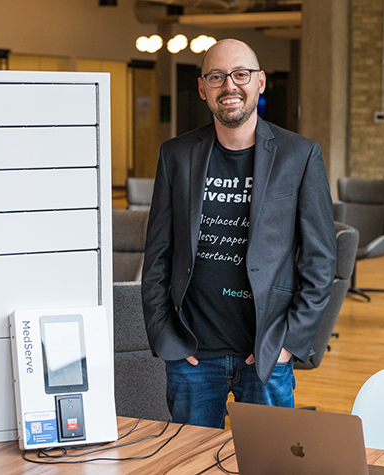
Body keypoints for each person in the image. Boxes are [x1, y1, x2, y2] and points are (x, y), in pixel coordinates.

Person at [141, 38, 337, 428]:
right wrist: (166, 336)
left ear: (260, 82)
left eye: (240, 74)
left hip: (265, 351)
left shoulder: (299, 155)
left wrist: (289, 343)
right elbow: (157, 256)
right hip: (192, 353)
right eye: (216, 77)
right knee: (189, 465)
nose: (229, 85)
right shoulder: (176, 155)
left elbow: (321, 260)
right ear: (202, 88)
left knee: (272, 463)